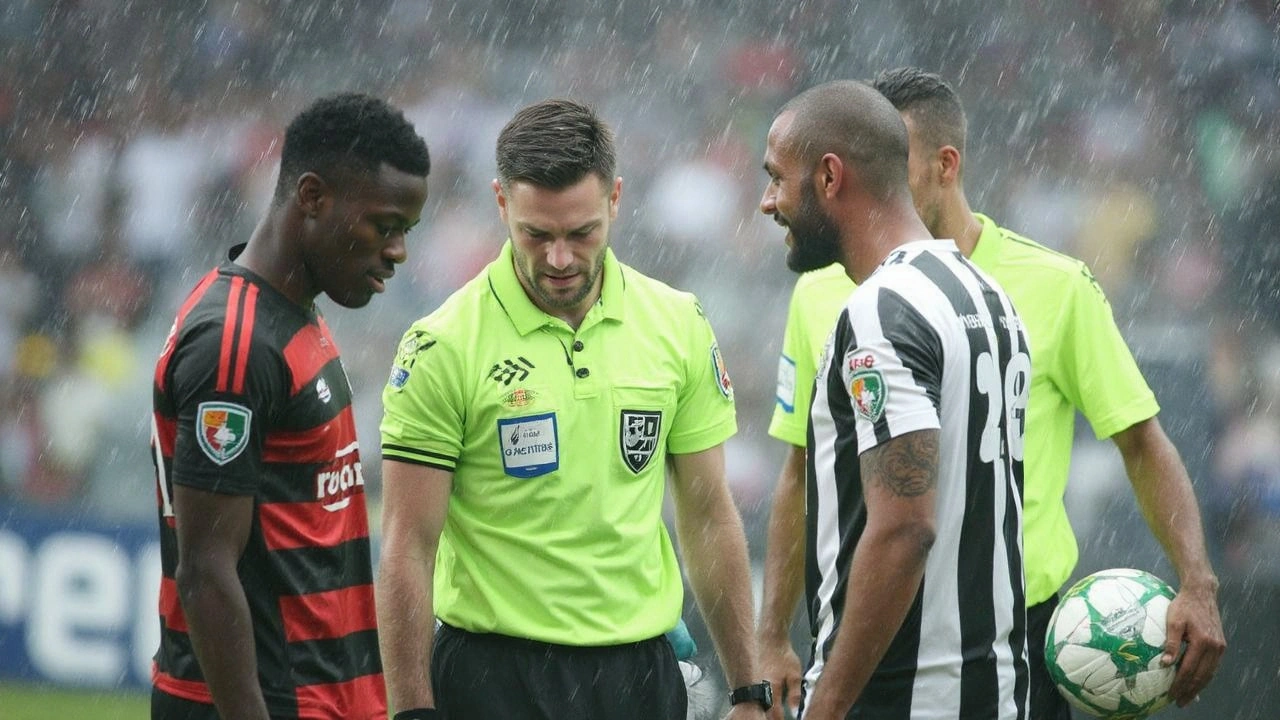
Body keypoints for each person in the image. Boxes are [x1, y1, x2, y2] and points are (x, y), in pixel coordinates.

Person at [757, 68, 1226, 719]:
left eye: (778, 180)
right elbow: (802, 472)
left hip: (986, 639)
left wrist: (1197, 581)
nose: (767, 201)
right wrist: (771, 636)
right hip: (926, 650)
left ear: (943, 165)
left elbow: (1141, 442)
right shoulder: (960, 299)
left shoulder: (1046, 286)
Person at [376, 98, 768, 720]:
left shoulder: (677, 323)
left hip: (640, 676)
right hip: (492, 677)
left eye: (581, 233)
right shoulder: (441, 344)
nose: (559, 259)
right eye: (537, 234)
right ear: (502, 204)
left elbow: (708, 513)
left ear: (615, 199)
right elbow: (407, 545)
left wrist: (749, 688)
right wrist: (411, 713)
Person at [149, 93, 431, 720]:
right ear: (311, 196)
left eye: (406, 233)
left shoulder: (293, 315)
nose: (398, 252)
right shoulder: (237, 342)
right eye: (384, 226)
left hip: (325, 700)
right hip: (274, 703)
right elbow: (205, 571)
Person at [760, 78, 1031, 720]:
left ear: (830, 177)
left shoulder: (883, 312)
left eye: (776, 177)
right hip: (993, 692)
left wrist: (826, 710)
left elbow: (905, 528)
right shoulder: (988, 296)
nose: (769, 202)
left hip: (900, 698)